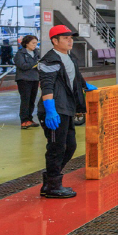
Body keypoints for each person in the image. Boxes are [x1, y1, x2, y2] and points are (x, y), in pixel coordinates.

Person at [37, 25, 95, 198]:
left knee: (70, 146)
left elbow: (76, 76)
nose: (70, 40)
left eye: (71, 37)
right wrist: (50, 110)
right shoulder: (49, 61)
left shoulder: (70, 57)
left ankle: (50, 182)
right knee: (56, 148)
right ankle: (53, 186)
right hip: (55, 109)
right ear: (55, 41)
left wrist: (85, 86)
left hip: (67, 108)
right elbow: (46, 86)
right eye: (65, 38)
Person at [14, 34, 41, 129]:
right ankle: (24, 120)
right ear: (26, 43)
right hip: (24, 80)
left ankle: (29, 118)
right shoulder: (20, 54)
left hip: (34, 79)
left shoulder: (36, 53)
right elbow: (22, 66)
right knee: (25, 100)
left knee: (32, 100)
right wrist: (35, 63)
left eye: (36, 43)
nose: (35, 45)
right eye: (33, 43)